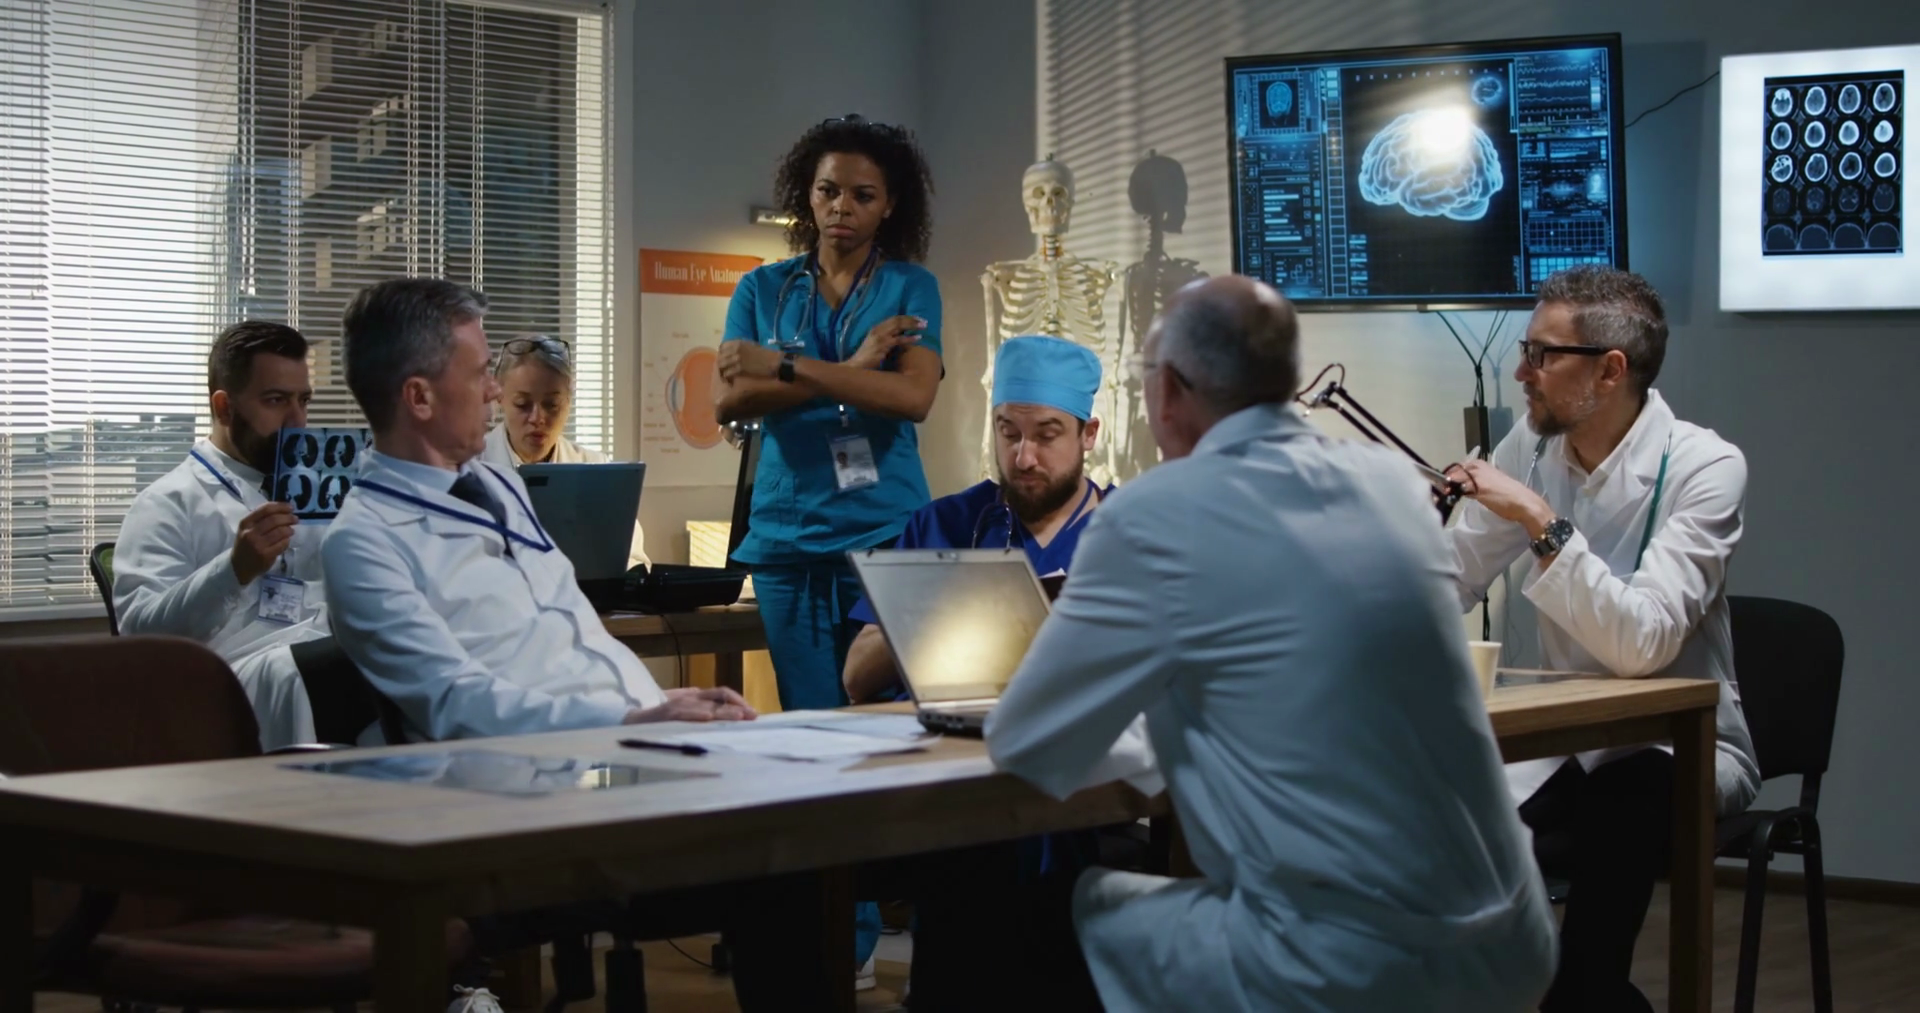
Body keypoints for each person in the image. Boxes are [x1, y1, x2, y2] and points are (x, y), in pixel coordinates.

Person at [986, 276, 1557, 1012]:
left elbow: (1031, 743)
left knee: (1083, 906)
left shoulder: (1150, 514)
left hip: (1351, 959)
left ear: (1167, 391)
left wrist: (1163, 722)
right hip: (1515, 936)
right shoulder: (1391, 486)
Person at [319, 277, 835, 1011]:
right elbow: (457, 703)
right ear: (419, 397)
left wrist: (667, 711)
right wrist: (628, 723)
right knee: (785, 861)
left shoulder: (498, 490)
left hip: (620, 763)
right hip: (525, 804)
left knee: (812, 818)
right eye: (481, 375)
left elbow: (578, 631)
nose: (495, 393)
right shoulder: (364, 544)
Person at [1444, 264, 1759, 1013]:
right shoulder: (1533, 443)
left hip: (1680, 746)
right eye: (1525, 350)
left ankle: (1584, 995)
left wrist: (1539, 520)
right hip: (1567, 740)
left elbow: (1641, 644)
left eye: (1542, 355)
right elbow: (1449, 577)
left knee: (1628, 790)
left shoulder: (1706, 466)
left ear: (1610, 370)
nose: (1521, 372)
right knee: (1440, 814)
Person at [713, 113, 943, 714]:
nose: (842, 207)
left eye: (863, 195)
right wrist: (860, 367)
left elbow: (913, 398)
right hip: (787, 540)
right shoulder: (761, 288)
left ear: (890, 205)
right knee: (810, 719)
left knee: (886, 716)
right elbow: (729, 402)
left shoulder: (911, 286)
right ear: (807, 195)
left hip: (883, 532)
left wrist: (784, 367)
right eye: (828, 190)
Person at [115, 321, 374, 749]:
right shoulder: (168, 502)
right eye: (275, 400)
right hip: (232, 681)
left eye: (303, 400)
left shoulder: (323, 491)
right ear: (224, 408)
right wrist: (233, 570)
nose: (297, 421)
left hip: (327, 657)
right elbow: (140, 635)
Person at [843, 334, 1108, 703]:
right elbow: (856, 679)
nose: (1023, 458)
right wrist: (944, 608)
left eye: (1047, 436)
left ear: (1088, 434)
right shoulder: (943, 524)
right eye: (1008, 433)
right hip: (937, 731)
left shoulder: (1129, 535)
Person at [480, 333, 648, 569]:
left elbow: (633, 562)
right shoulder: (467, 468)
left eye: (551, 405)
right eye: (522, 404)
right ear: (500, 398)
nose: (538, 418)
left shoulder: (597, 471)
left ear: (568, 402)